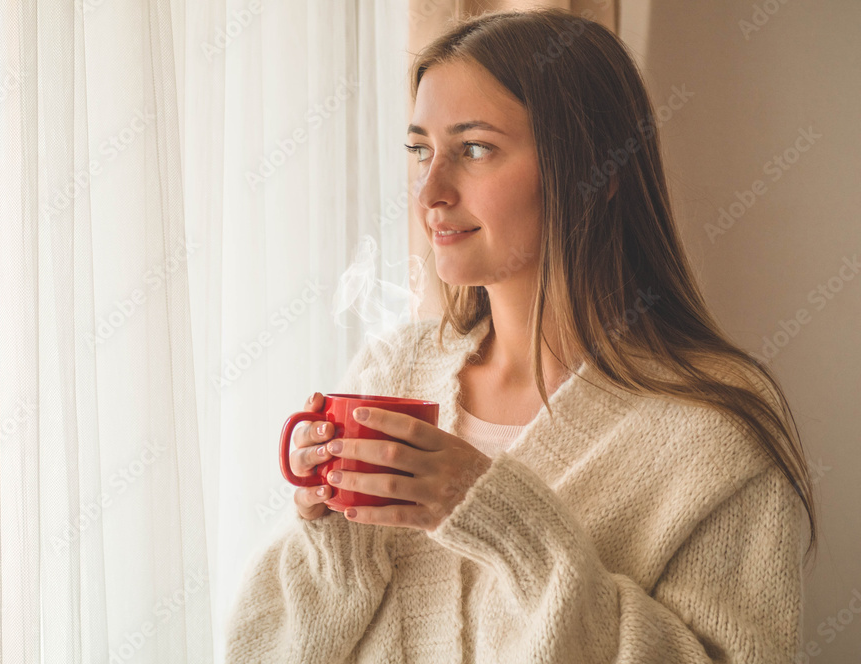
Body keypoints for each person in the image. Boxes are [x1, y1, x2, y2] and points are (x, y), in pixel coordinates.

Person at [224, 7, 817, 663]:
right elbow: (261, 649)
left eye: (474, 148)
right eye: (421, 150)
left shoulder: (712, 428)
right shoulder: (392, 373)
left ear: (598, 169)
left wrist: (499, 517)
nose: (429, 193)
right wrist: (333, 541)